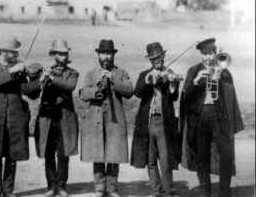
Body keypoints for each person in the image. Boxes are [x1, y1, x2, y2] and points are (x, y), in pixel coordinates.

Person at [179, 38, 244, 197]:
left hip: (218, 116)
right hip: (201, 117)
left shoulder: (223, 70)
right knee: (202, 156)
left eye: (210, 53)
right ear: (201, 54)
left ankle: (224, 191)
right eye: (204, 54)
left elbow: (229, 96)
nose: (208, 58)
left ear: (216, 53)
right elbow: (186, 95)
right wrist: (195, 81)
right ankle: (205, 191)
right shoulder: (193, 70)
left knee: (226, 155)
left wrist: (221, 78)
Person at [0, 37, 38, 197]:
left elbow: (30, 92)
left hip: (14, 118)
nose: (15, 56)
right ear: (3, 53)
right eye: (13, 53)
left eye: (15, 53)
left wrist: (38, 80)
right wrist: (11, 71)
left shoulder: (19, 70)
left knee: (13, 154)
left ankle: (8, 190)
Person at [79, 39, 134, 197]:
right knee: (97, 151)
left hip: (114, 120)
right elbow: (83, 93)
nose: (106, 57)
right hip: (95, 120)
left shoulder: (121, 73)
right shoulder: (91, 73)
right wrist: (96, 89)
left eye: (109, 54)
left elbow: (130, 91)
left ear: (113, 55)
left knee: (114, 152)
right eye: (103, 54)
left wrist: (113, 81)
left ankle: (112, 187)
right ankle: (99, 186)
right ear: (98, 55)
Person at [130, 42, 181, 197]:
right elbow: (137, 92)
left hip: (164, 123)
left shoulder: (169, 72)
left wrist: (173, 84)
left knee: (165, 161)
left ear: (163, 56)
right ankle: (155, 190)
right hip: (147, 123)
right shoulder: (144, 74)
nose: (157, 61)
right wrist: (147, 81)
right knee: (150, 159)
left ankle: (167, 191)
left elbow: (174, 96)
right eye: (153, 59)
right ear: (150, 60)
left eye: (159, 57)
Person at [30, 39, 79, 197]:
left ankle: (62, 186)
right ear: (53, 55)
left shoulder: (72, 73)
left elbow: (69, 86)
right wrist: (40, 80)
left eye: (65, 53)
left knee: (63, 154)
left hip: (65, 119)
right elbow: (33, 93)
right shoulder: (45, 72)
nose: (63, 56)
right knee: (48, 153)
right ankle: (51, 186)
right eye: (60, 54)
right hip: (47, 119)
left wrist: (51, 78)